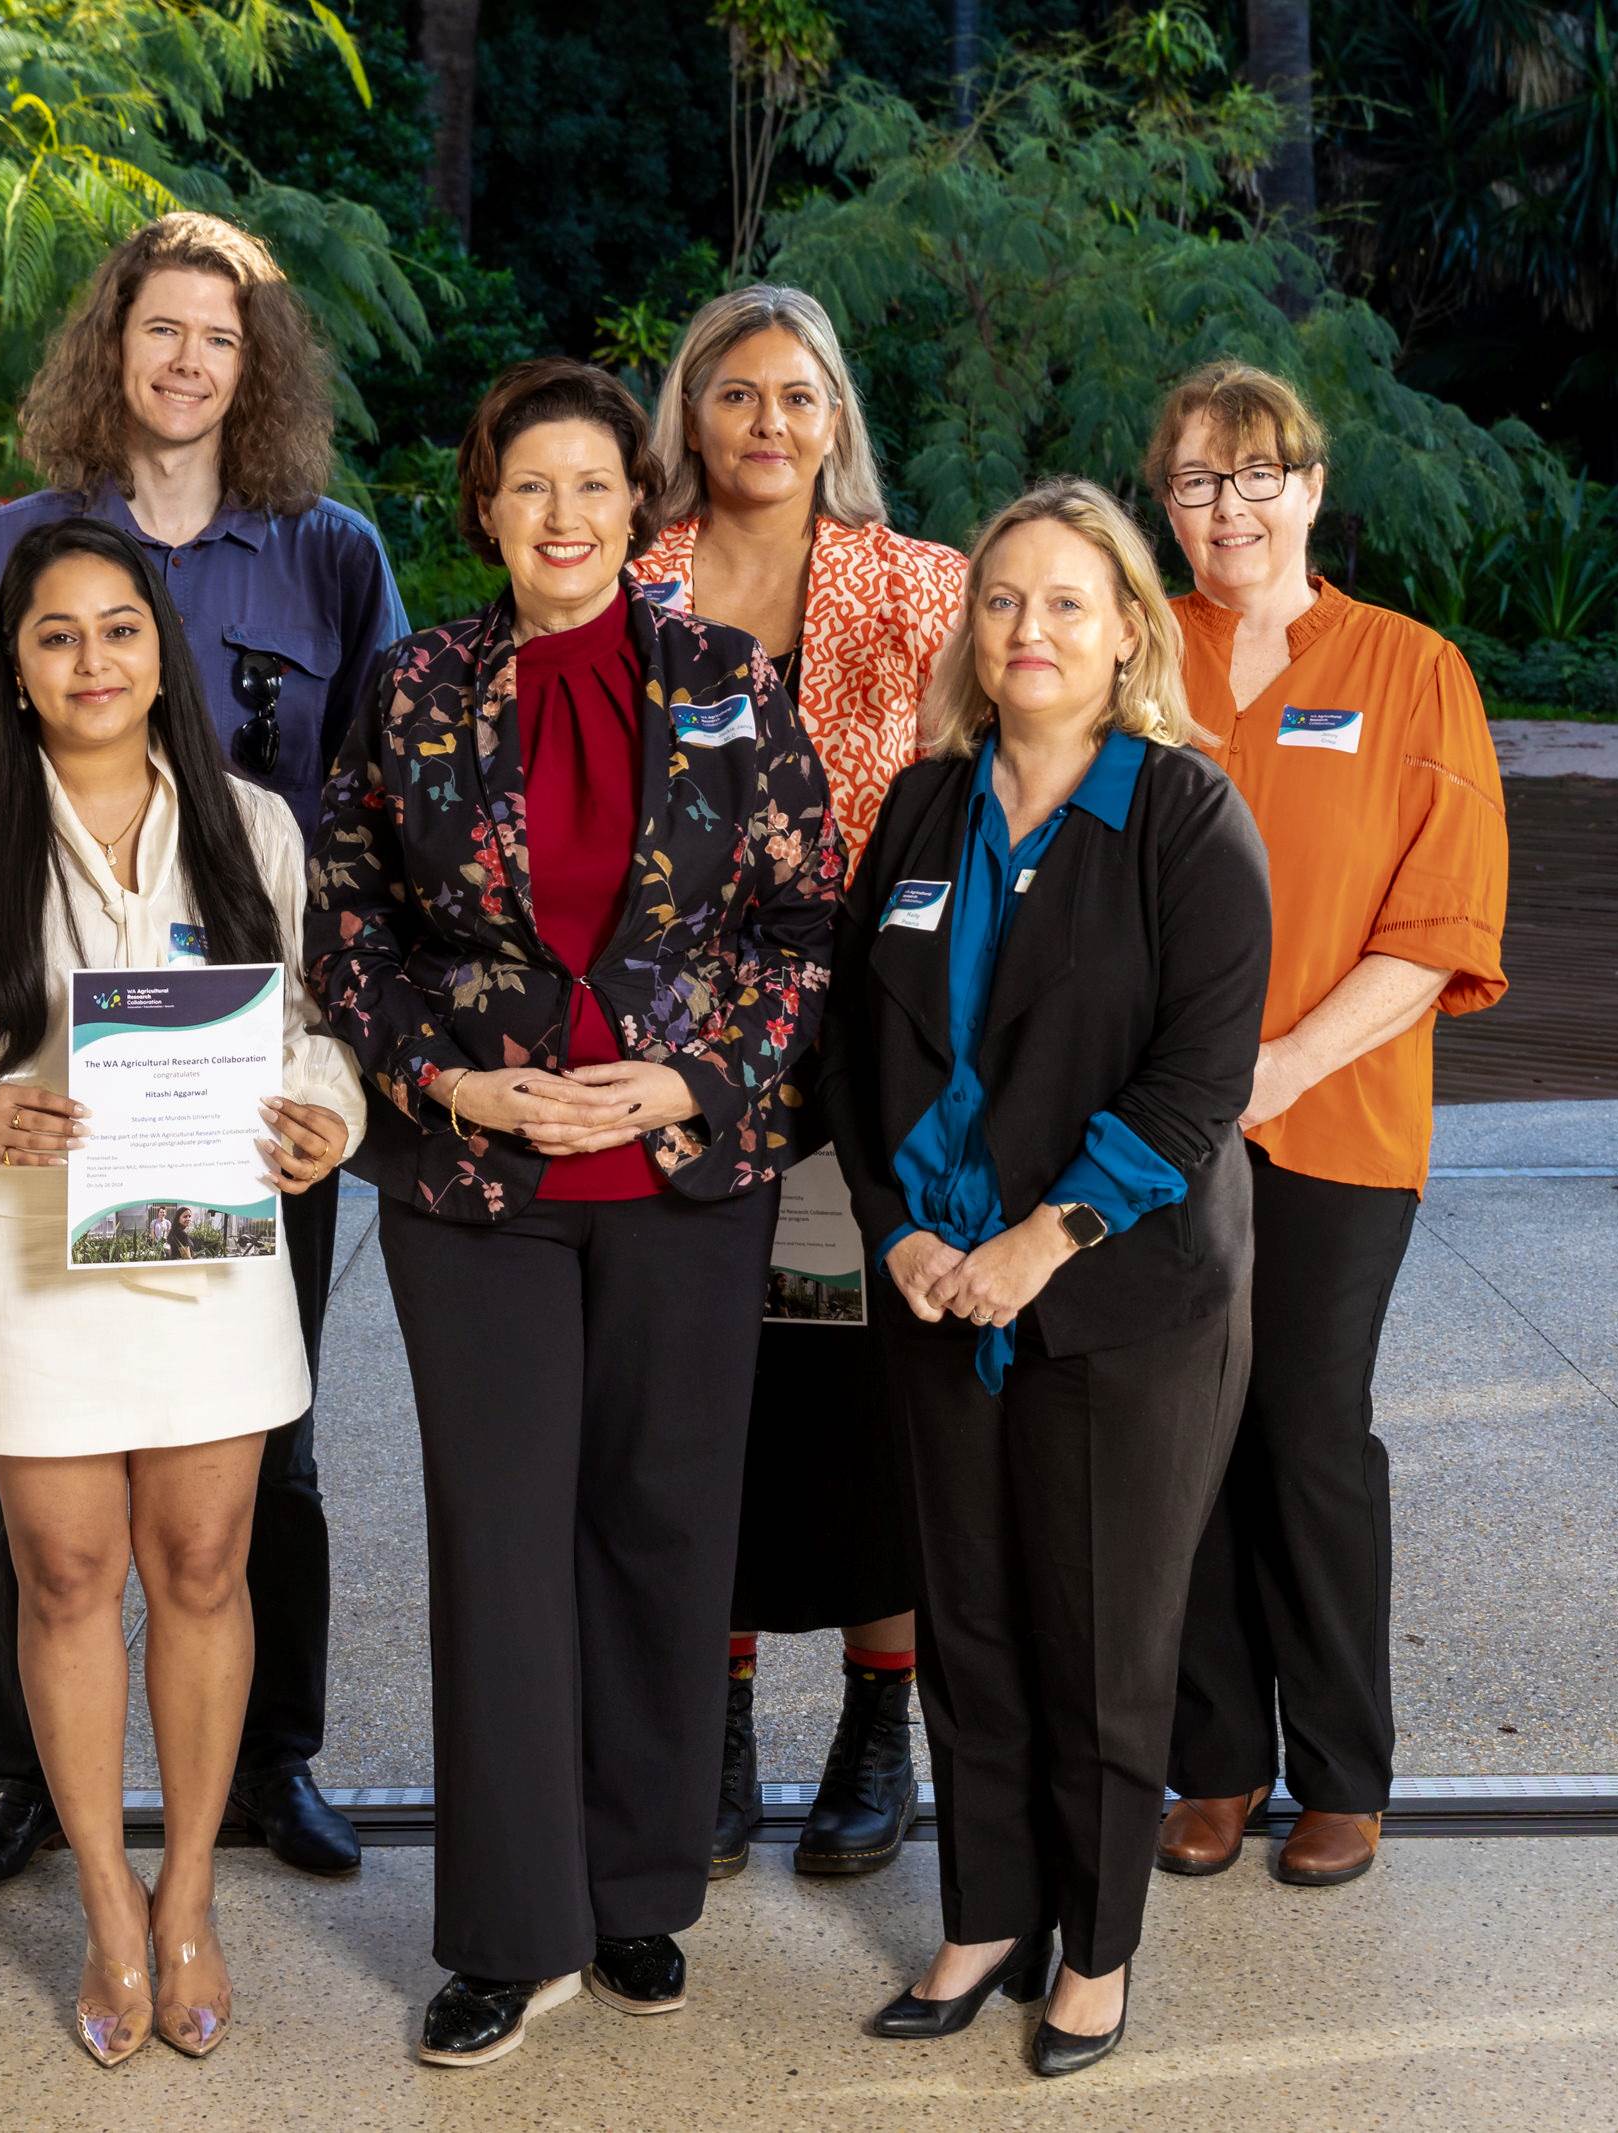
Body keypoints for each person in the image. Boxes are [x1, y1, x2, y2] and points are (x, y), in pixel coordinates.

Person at [308, 358, 844, 2068]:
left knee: (664, 1531)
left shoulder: (730, 683)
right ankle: (506, 1931)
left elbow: (804, 929)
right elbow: (351, 928)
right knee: (504, 1539)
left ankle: (635, 1895)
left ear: (640, 504)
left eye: (593, 485)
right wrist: (449, 1084)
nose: (561, 516)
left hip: (685, 1182)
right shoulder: (412, 691)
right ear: (486, 509)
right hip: (478, 1187)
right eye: (527, 486)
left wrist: (693, 1079)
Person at [0, 211, 409, 1887]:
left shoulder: (330, 553)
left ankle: (277, 1764)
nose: (190, 362)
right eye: (162, 330)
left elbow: (385, 809)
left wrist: (332, 1075)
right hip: (57, 1086)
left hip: (250, 1082)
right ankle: (30, 1782)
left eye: (223, 337)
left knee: (272, 1433)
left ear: (257, 366)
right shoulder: (9, 551)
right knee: (49, 1446)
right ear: (109, 347)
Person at [0, 517, 367, 2064]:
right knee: (67, 1578)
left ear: (161, 648)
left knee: (204, 1564)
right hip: (33, 1259)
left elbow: (319, 1026)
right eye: (57, 633)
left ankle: (190, 1887)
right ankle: (107, 1906)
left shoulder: (252, 825)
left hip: (207, 1259)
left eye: (119, 629)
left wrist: (324, 1108)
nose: (92, 660)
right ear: (14, 660)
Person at [820, 477, 1271, 2078]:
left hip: (1116, 1296)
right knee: (971, 1617)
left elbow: (1197, 1078)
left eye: (1069, 601)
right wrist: (903, 1233)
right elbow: (850, 1056)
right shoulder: (922, 812)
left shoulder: (1183, 816)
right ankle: (987, 1911)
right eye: (1004, 599)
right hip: (934, 1289)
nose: (1031, 629)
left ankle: (1098, 1939)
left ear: (1128, 630)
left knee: (1101, 1630)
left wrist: (1038, 1242)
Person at [1145, 360, 1510, 1890]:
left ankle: (1344, 1770)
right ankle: (1215, 1760)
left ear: (1311, 483)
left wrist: (1283, 1066)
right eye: (1194, 480)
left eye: (1255, 474)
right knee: (1183, 1444)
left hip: (1334, 1114)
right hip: (1150, 1128)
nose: (1228, 506)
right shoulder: (1133, 657)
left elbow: (1440, 923)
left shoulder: (1413, 670)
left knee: (1304, 1429)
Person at [630, 285, 969, 1883]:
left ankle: (878, 1720)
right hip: (674, 1058)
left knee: (867, 1387)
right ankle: (718, 1718)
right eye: (737, 394)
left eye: (799, 396)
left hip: (877, 1043)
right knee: (710, 1389)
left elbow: (992, 793)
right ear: (687, 415)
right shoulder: (625, 584)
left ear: (838, 420)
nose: (769, 424)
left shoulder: (924, 588)